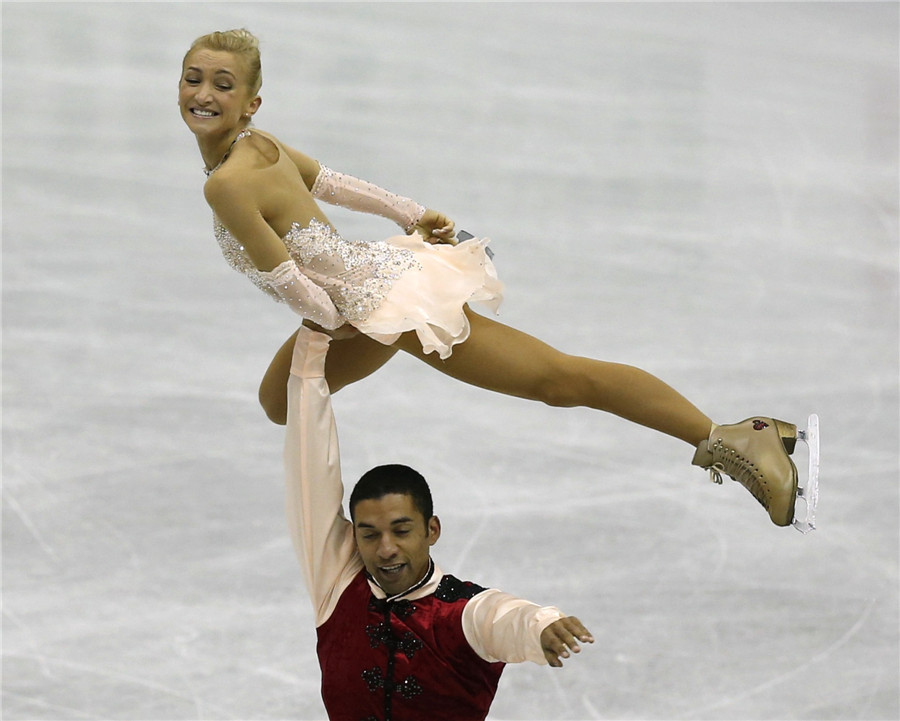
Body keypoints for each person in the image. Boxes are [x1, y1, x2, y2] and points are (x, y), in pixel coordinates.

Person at [179, 28, 806, 528]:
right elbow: (329, 184)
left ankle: (731, 438)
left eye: (223, 85)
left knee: (559, 380)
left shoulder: (227, 181)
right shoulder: (259, 146)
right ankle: (735, 435)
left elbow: (289, 276)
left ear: (251, 102)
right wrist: (410, 213)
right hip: (368, 300)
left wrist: (335, 322)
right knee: (277, 401)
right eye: (193, 78)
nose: (203, 93)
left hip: (379, 304)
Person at [284, 324, 594, 720]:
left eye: (401, 530)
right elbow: (309, 464)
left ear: (432, 530)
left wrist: (541, 626)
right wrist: (313, 345)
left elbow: (506, 617)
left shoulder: (462, 613)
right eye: (369, 534)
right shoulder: (337, 582)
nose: (385, 549)